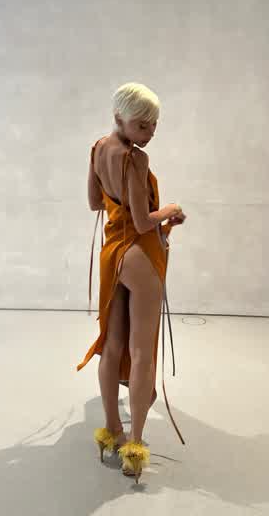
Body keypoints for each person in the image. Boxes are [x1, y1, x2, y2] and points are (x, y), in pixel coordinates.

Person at [76, 82, 187, 483]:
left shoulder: (97, 148)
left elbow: (95, 203)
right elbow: (142, 223)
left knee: (112, 344)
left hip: (113, 254)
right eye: (142, 124)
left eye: (154, 124)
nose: (150, 132)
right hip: (140, 256)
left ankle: (112, 430)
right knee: (142, 353)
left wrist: (126, 205)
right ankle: (135, 448)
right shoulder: (135, 159)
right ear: (119, 118)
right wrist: (169, 210)